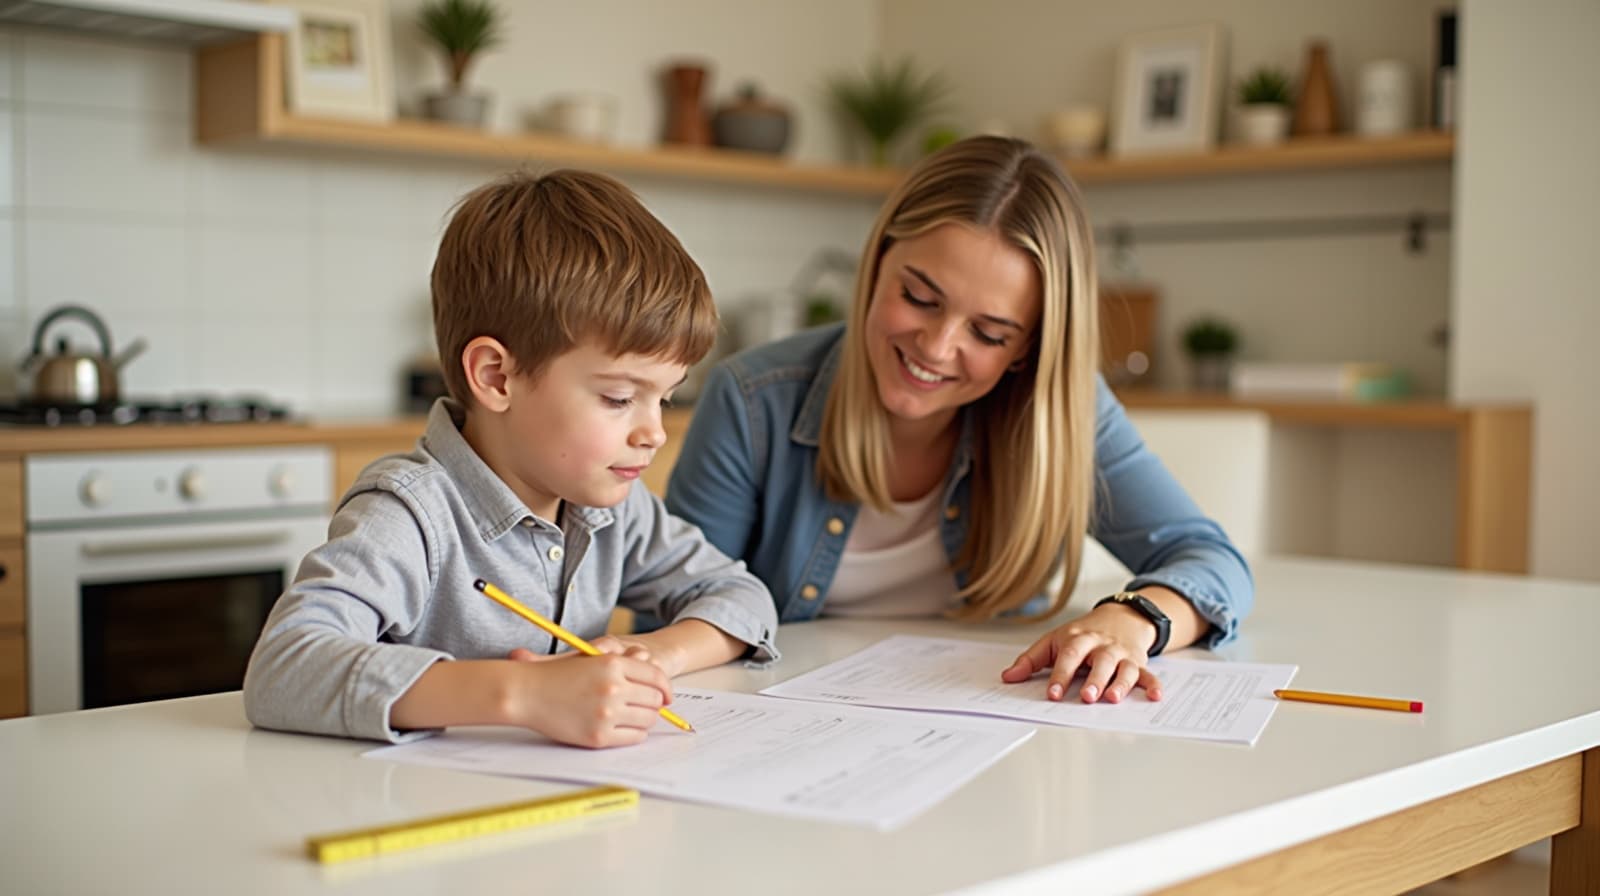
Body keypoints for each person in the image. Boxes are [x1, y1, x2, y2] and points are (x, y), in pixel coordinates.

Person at [666, 136, 1251, 706]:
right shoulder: (751, 400)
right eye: (920, 297)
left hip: (996, 719)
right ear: (877, 263)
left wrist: (1133, 618)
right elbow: (672, 611)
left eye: (989, 333)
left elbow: (1211, 560)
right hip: (786, 727)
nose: (938, 347)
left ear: (1027, 348)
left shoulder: (1061, 410)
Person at [244, 170, 777, 748]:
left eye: (664, 398)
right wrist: (523, 695)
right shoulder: (410, 515)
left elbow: (743, 597)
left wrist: (650, 655)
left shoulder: (611, 509)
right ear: (497, 376)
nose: (653, 432)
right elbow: (284, 667)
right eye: (620, 398)